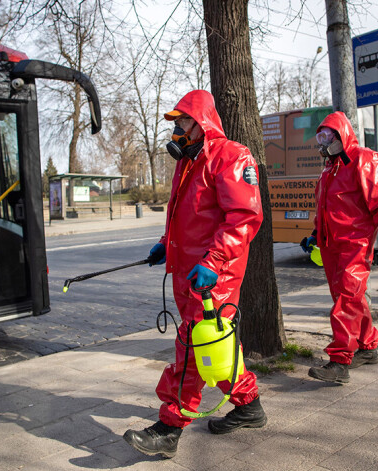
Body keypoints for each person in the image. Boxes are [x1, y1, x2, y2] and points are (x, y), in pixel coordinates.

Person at [123, 90, 266, 459]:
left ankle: (170, 427)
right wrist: (165, 244)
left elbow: (244, 217)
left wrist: (213, 261)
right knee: (212, 345)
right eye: (177, 123)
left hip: (213, 273)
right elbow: (186, 215)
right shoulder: (188, 162)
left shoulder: (230, 155)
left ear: (202, 122)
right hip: (190, 271)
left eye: (184, 121)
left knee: (191, 345)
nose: (179, 129)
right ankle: (248, 405)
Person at [301, 111, 378, 384]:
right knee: (350, 298)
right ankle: (368, 345)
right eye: (320, 137)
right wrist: (315, 234)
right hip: (332, 244)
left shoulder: (365, 160)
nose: (323, 142)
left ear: (341, 134)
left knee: (346, 298)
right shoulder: (330, 168)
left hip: (354, 244)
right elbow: (324, 207)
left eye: (327, 136)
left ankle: (339, 360)